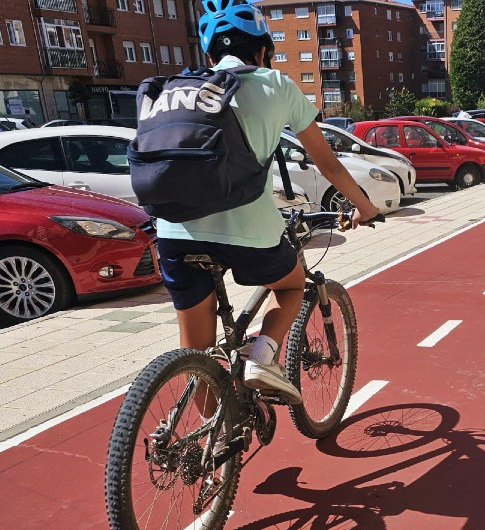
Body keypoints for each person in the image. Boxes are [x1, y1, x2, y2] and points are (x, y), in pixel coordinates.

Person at [156, 0, 379, 403]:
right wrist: (364, 206)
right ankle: (262, 357)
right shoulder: (276, 85)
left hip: (173, 232)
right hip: (247, 230)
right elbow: (327, 164)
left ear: (209, 55)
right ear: (263, 51)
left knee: (199, 358)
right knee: (293, 285)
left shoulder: (180, 89)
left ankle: (207, 455)